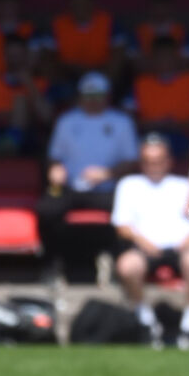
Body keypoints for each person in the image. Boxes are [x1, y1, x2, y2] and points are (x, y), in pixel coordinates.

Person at [36, 72, 139, 271]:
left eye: (98, 95)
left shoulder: (121, 122)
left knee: (127, 212)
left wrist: (106, 174)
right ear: (80, 96)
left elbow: (132, 161)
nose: (93, 100)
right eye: (88, 95)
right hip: (71, 188)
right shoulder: (66, 121)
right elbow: (55, 156)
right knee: (46, 209)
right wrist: (55, 169)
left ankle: (120, 261)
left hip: (108, 189)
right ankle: (52, 262)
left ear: (107, 96)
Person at [113, 134, 189, 349]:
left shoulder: (185, 186)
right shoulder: (128, 184)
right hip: (145, 249)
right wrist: (143, 242)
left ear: (168, 161)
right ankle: (145, 321)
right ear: (141, 162)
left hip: (181, 247)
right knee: (127, 265)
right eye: (148, 161)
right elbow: (122, 226)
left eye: (158, 160)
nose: (153, 166)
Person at [0, 34, 52, 155]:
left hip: (26, 138)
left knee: (20, 101)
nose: (14, 60)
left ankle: (11, 143)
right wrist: (5, 115)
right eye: (11, 55)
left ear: (26, 55)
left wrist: (28, 83)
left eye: (18, 56)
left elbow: (47, 117)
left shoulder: (39, 83)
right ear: (4, 56)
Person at [131, 34, 189, 160]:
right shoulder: (140, 83)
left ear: (177, 57)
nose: (164, 60)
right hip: (149, 138)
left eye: (169, 55)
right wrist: (156, 124)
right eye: (160, 56)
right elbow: (129, 119)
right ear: (152, 58)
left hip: (185, 137)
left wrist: (178, 125)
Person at [48, 0, 125, 91]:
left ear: (92, 3)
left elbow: (118, 56)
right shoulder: (58, 24)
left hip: (101, 74)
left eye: (83, 3)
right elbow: (48, 58)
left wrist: (104, 78)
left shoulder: (109, 23)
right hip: (68, 75)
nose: (80, 7)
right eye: (75, 3)